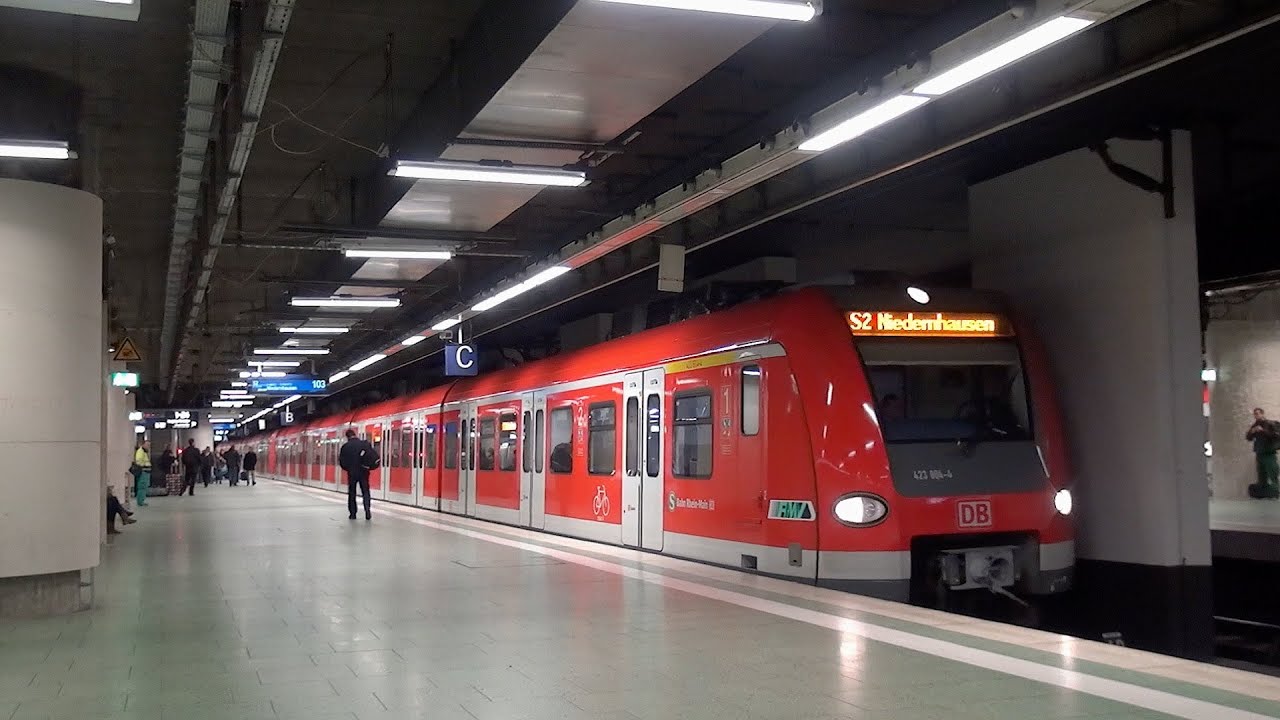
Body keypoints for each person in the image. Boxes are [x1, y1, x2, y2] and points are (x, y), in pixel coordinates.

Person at [339, 429, 378, 520]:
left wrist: (348, 468)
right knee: (365, 491)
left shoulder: (345, 447)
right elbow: (372, 456)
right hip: (364, 471)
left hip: (352, 473)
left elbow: (342, 462)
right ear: (355, 434)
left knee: (352, 493)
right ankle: (367, 510)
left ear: (347, 437)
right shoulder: (364, 444)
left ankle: (353, 513)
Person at [1247, 407, 1280, 499]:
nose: (1256, 415)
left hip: (1269, 453)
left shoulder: (1270, 424)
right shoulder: (1254, 425)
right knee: (1261, 474)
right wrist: (1251, 431)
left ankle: (1275, 492)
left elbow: (1276, 436)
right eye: (1255, 414)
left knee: (1273, 473)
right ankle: (1263, 492)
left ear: (1262, 414)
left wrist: (1263, 431)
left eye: (1258, 413)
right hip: (1259, 452)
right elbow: (1249, 438)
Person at [132, 440, 152, 506]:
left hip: (146, 471)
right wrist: (145, 465)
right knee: (142, 487)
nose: (148, 446)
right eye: (147, 445)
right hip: (143, 471)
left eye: (149, 445)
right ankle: (140, 501)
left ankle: (142, 500)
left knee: (144, 487)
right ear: (143, 444)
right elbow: (138, 461)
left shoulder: (144, 452)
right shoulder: (140, 451)